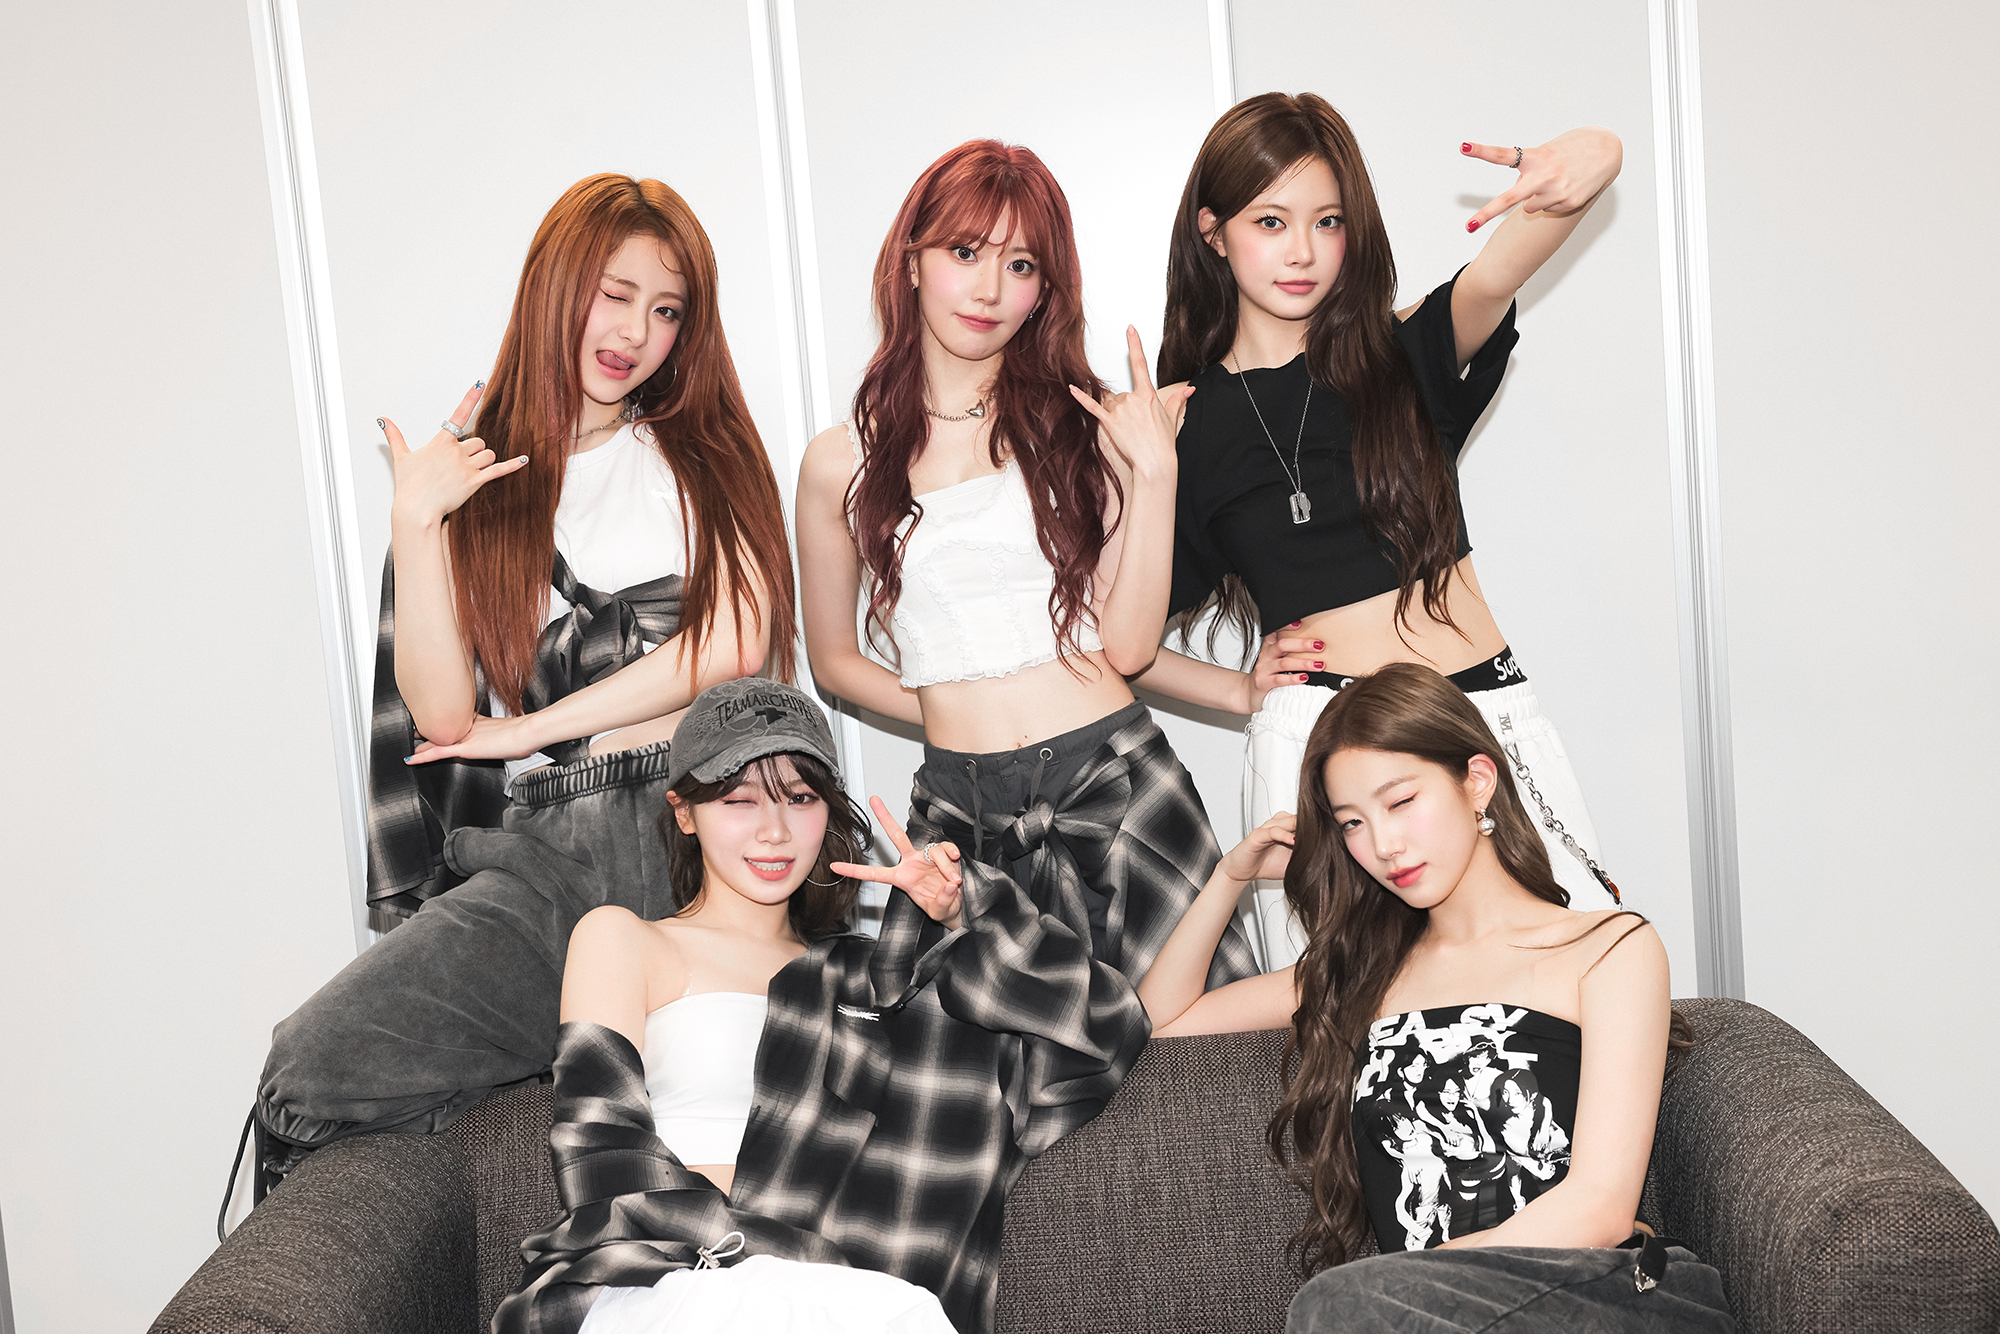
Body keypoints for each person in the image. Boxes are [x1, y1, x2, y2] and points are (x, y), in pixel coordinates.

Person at [255, 174, 792, 1171]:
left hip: (698, 832)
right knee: (306, 1064)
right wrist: (418, 523)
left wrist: (530, 728)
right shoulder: (476, 483)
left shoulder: (699, 453)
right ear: (556, 285)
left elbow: (734, 641)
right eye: (615, 294)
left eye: (667, 310)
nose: (636, 332)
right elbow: (442, 714)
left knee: (740, 1100)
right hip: (552, 850)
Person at [494, 679, 1149, 1334]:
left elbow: (1103, 1028)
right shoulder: (621, 939)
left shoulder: (880, 983)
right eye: (739, 799)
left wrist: (966, 911)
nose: (774, 831)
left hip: (834, 1297)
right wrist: (782, 1251)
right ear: (685, 811)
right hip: (659, 1272)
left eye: (801, 798)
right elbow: (599, 1146)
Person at [1146, 92, 1628, 967]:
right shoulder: (1184, 427)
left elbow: (1514, 256)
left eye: (1327, 221)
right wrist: (1238, 692)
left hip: (1480, 718)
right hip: (1320, 747)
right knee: (1352, 1022)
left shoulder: (1403, 353)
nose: (1302, 250)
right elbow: (1118, 641)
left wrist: (1593, 153)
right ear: (1213, 232)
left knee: (1580, 980)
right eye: (1270, 221)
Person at [1135, 664, 1733, 1331]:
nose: (1383, 845)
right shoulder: (1362, 973)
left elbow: (1600, 1207)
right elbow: (1162, 1019)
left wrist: (1388, 1288)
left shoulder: (1608, 948)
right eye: (1352, 823)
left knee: (1336, 1304)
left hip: (1604, 1297)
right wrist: (1230, 876)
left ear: (1477, 781)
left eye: (1400, 802)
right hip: (1423, 1315)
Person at [793, 139, 1259, 989]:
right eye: (964, 252)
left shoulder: (1090, 428)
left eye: (1020, 266)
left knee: (1202, 1054)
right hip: (960, 816)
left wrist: (1154, 472)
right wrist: (961, 700)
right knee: (969, 1067)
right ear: (911, 261)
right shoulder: (840, 461)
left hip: (1115, 782)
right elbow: (832, 662)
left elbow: (1125, 646)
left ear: (1045, 290)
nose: (988, 290)